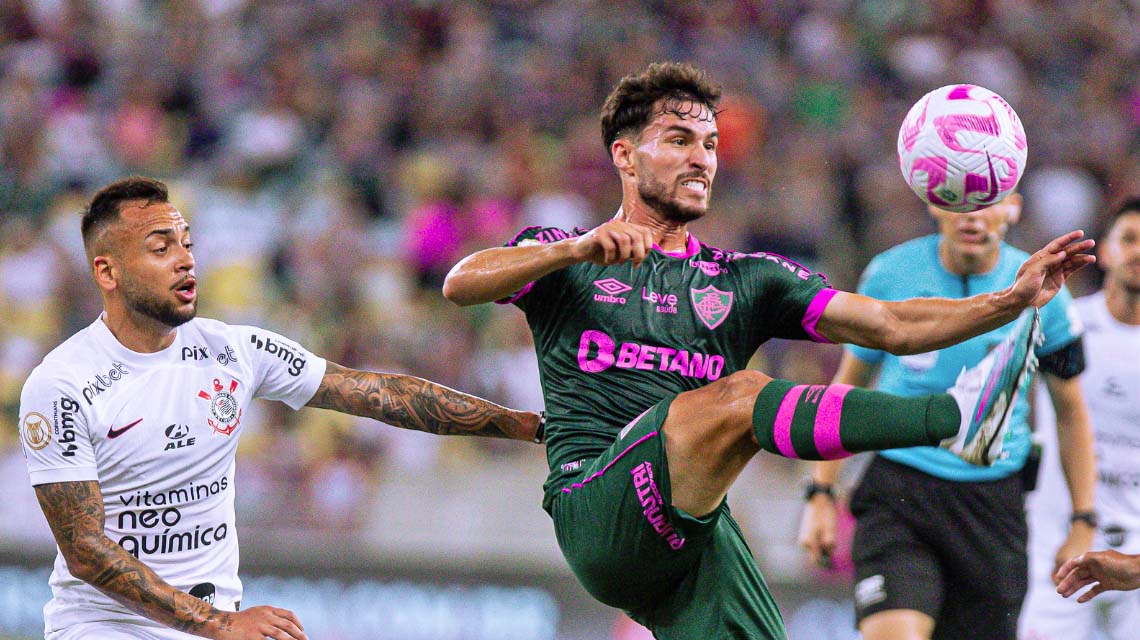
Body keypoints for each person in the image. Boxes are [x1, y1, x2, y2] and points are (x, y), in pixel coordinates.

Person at [441, 61, 1094, 639]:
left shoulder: (748, 281)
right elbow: (460, 282)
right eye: (679, 140)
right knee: (738, 396)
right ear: (626, 157)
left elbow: (890, 326)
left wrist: (1006, 303)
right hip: (596, 509)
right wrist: (572, 249)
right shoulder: (567, 254)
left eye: (711, 144)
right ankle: (954, 418)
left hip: (690, 536)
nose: (703, 158)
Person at [17, 176, 544, 640]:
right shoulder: (62, 385)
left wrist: (528, 426)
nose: (185, 259)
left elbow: (379, 394)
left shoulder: (233, 351)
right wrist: (219, 624)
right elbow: (85, 549)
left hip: (213, 624)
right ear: (106, 272)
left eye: (187, 243)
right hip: (106, 627)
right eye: (161, 248)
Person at [797, 193, 1096, 640]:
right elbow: (844, 388)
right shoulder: (889, 274)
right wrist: (820, 492)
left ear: (1012, 209)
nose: (973, 215)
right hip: (899, 494)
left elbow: (1071, 414)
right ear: (935, 205)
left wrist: (1082, 520)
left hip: (993, 509)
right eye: (959, 201)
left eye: (989, 202)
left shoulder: (1046, 291)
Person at [1021, 198, 1140, 639]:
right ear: (1105, 250)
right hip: (1058, 544)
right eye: (1129, 239)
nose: (1138, 252)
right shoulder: (1063, 326)